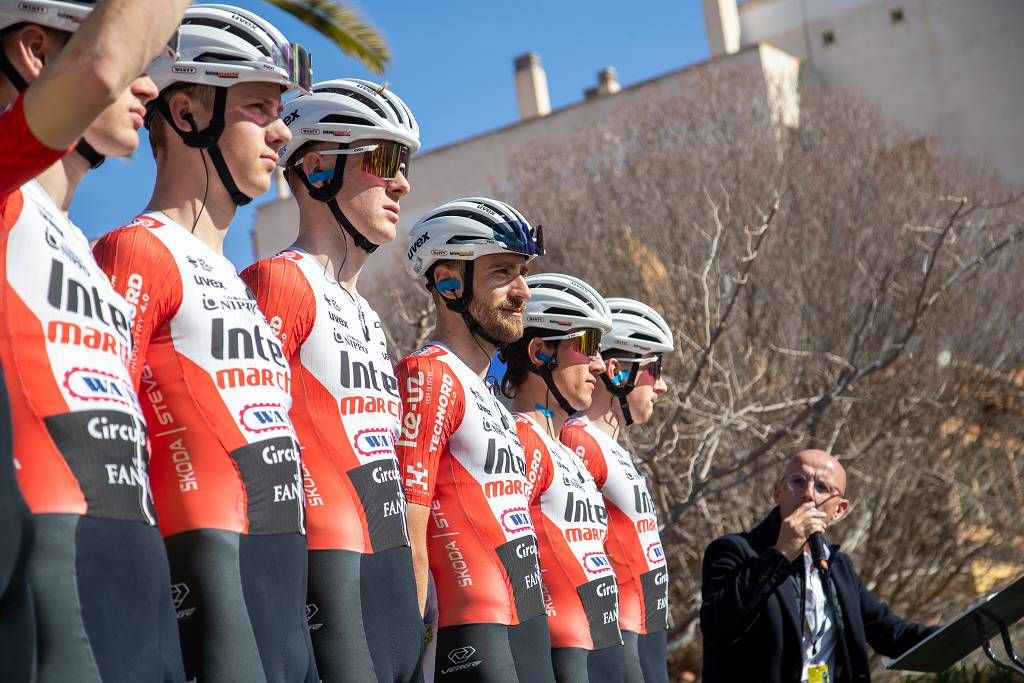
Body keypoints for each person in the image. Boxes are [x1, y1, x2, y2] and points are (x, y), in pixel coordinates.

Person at [92, 5, 318, 681]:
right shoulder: (135, 250)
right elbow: (107, 446)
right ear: (187, 113)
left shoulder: (242, 282)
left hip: (286, 590)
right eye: (259, 106)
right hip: (207, 585)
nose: (281, 130)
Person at [0, 1, 188, 680]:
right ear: (35, 54)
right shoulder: (3, 191)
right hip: (53, 560)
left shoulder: (84, 251)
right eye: (142, 65)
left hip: (140, 571)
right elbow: (100, 66)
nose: (148, 88)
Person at [240, 78, 425, 682]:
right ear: (317, 169)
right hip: (327, 573)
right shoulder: (277, 281)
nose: (401, 182)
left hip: (390, 577)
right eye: (382, 159)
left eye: (403, 164)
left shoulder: (368, 314)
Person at [395, 197, 556, 682]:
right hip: (470, 637)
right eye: (503, 273)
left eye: (523, 272)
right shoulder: (428, 374)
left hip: (526, 627)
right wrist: (408, 646)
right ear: (449, 284)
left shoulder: (489, 398)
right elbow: (408, 524)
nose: (524, 291)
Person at [700, 449, 939, 683]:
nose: (808, 495)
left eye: (822, 488)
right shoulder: (734, 550)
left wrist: (962, 632)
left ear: (839, 510)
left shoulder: (837, 566)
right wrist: (781, 552)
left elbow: (890, 634)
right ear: (777, 492)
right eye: (797, 481)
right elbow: (717, 628)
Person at [500, 273, 627, 682]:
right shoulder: (520, 436)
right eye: (587, 345)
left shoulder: (566, 450)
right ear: (540, 351)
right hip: (556, 656)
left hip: (601, 646)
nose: (597, 364)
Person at [560, 298, 674, 683]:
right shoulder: (577, 439)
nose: (662, 385)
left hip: (647, 635)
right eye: (654, 368)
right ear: (617, 371)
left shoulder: (613, 449)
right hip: (615, 638)